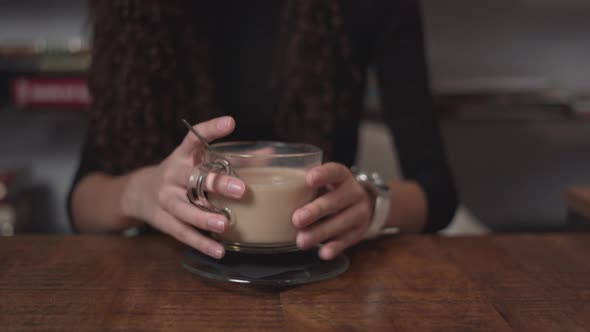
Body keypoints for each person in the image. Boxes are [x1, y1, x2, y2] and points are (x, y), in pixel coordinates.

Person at [68, 0, 458, 261]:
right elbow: (82, 202)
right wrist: (141, 192)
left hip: (318, 276)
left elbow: (438, 193)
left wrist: (370, 204)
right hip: (162, 280)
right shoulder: (133, 11)